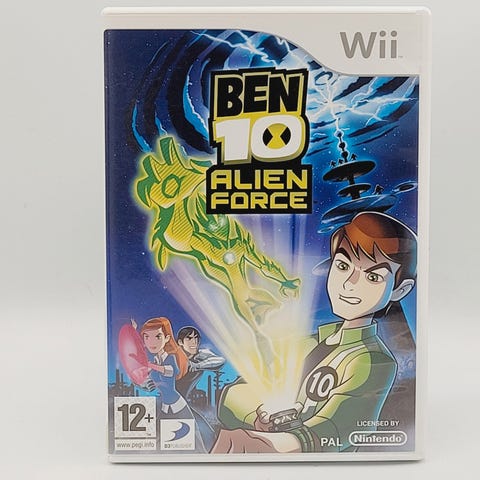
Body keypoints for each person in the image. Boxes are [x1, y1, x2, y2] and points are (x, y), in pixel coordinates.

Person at [212, 211, 417, 453]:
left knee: (238, 441)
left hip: (321, 461)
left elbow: (340, 427)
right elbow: (234, 393)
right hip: (271, 447)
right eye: (343, 266)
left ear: (400, 290)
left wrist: (283, 442)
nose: (349, 283)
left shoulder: (372, 359)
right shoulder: (305, 344)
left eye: (373, 277)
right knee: (231, 438)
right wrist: (259, 416)